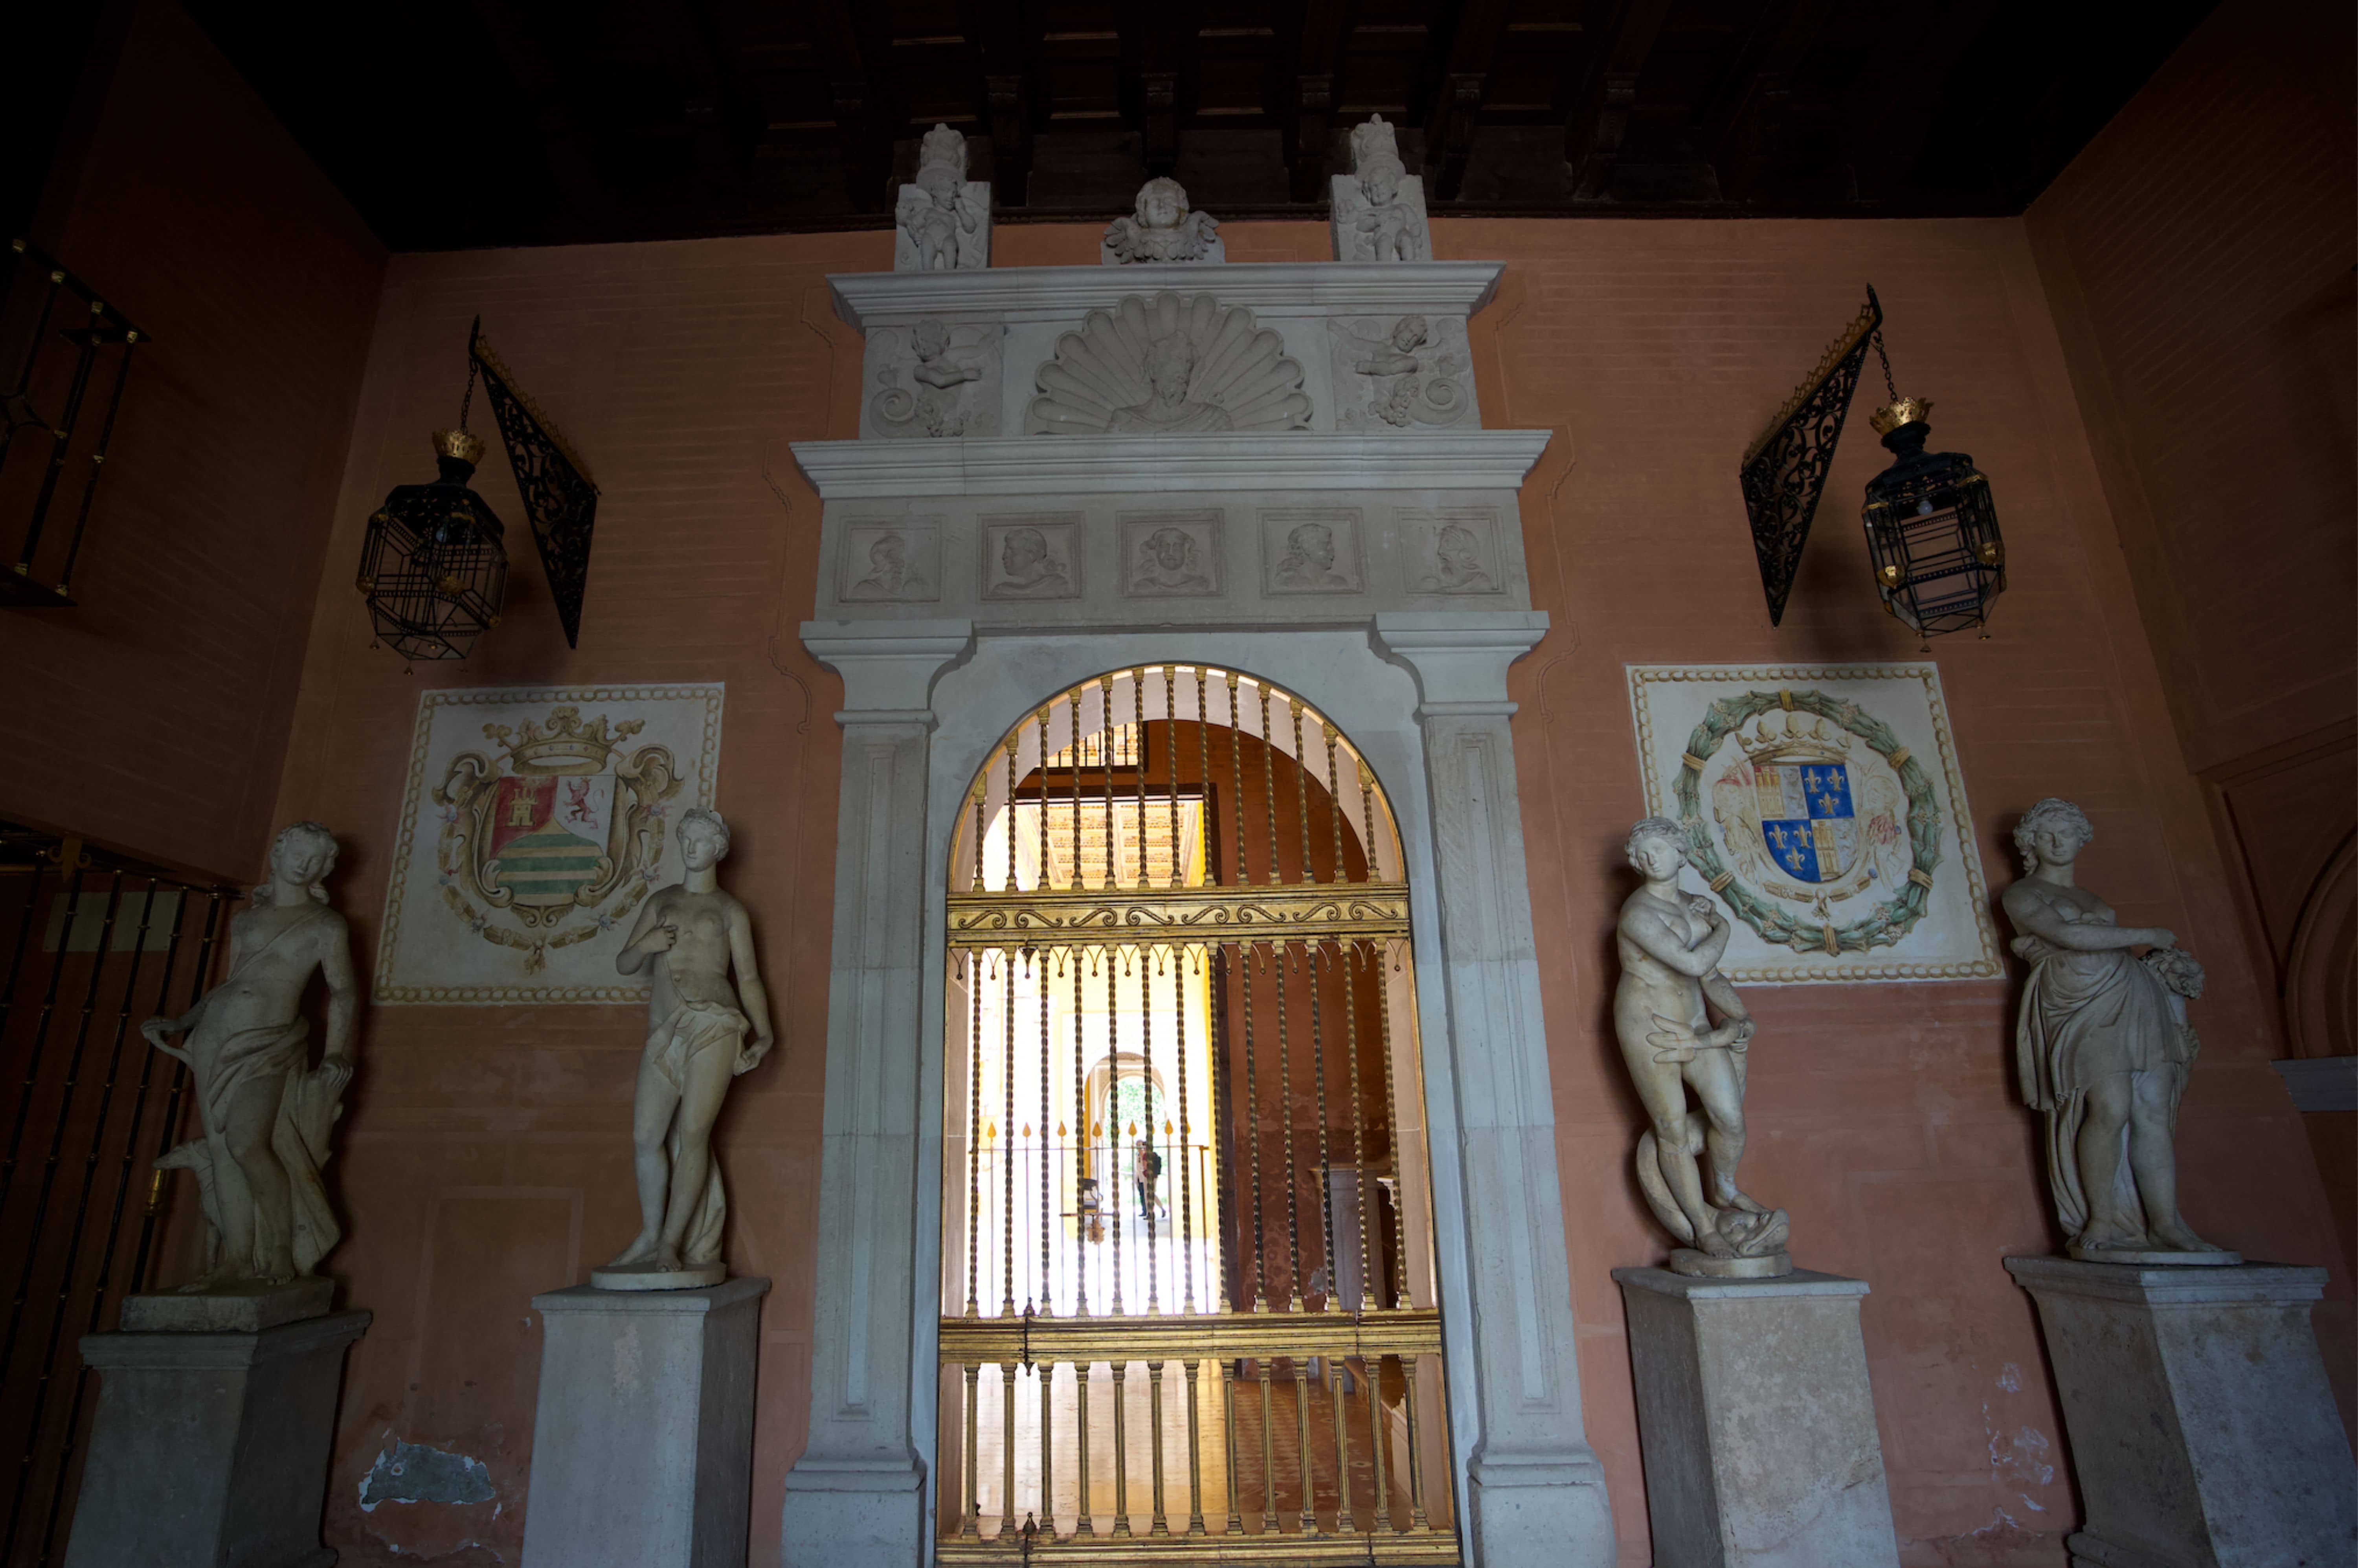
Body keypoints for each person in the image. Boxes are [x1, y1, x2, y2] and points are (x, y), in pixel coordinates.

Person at [143, 821, 357, 1287]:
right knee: (221, 1151)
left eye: (316, 859)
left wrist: (338, 1052)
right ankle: (236, 1260)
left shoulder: (325, 925)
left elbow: (343, 993)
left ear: (324, 870)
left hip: (271, 1043)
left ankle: (280, 1250)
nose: (305, 863)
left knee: (246, 1143)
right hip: (216, 1037)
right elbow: (230, 983)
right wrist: (182, 1023)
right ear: (277, 855)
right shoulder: (246, 920)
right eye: (298, 852)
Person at [2003, 798, 2219, 1256]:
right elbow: (2072, 937)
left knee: (2152, 1110)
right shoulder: (2023, 893)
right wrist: (2147, 934)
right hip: (2078, 1002)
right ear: (2031, 843)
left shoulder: (2093, 900)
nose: (2058, 842)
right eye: (2047, 834)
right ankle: (2101, 1218)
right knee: (2109, 1106)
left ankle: (2166, 1223)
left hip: (2132, 995)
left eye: (2067, 832)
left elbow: (2087, 932)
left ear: (2083, 838)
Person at [605, 809, 775, 1274]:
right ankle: (650, 1233)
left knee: (693, 1135)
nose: (692, 848)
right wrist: (647, 946)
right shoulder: (661, 902)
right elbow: (623, 963)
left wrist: (765, 1033)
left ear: (719, 849)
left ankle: (671, 1244)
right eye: (687, 839)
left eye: (701, 841)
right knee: (645, 1137)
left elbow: (750, 978)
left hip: (715, 1025)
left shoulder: (729, 911)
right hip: (665, 1029)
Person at [1614, 817, 1786, 1262]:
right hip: (1649, 1028)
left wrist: (1739, 1015)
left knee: (1728, 1117)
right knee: (1671, 1128)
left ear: (1680, 854)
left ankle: (1725, 1187)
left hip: (1696, 1026)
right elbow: (1691, 964)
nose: (1651, 858)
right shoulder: (1638, 914)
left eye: (1660, 849)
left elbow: (1709, 976)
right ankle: (1703, 1225)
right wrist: (1725, 930)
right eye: (1643, 853)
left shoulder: (1694, 907)